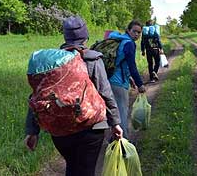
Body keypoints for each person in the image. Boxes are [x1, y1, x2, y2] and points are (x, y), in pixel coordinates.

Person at [24, 16, 123, 176]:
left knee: (72, 167)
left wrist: (32, 131)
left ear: (65, 36)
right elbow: (105, 93)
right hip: (91, 127)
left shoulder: (53, 63)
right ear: (86, 36)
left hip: (61, 129)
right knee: (86, 170)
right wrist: (116, 123)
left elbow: (38, 94)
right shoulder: (92, 59)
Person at [108, 20, 146, 138]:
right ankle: (124, 145)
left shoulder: (120, 40)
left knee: (113, 113)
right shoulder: (129, 44)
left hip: (108, 80)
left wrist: (129, 78)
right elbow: (132, 66)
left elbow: (120, 62)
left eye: (139, 32)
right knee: (122, 114)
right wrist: (140, 84)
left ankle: (113, 141)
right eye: (134, 31)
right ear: (128, 30)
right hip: (118, 84)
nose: (137, 34)